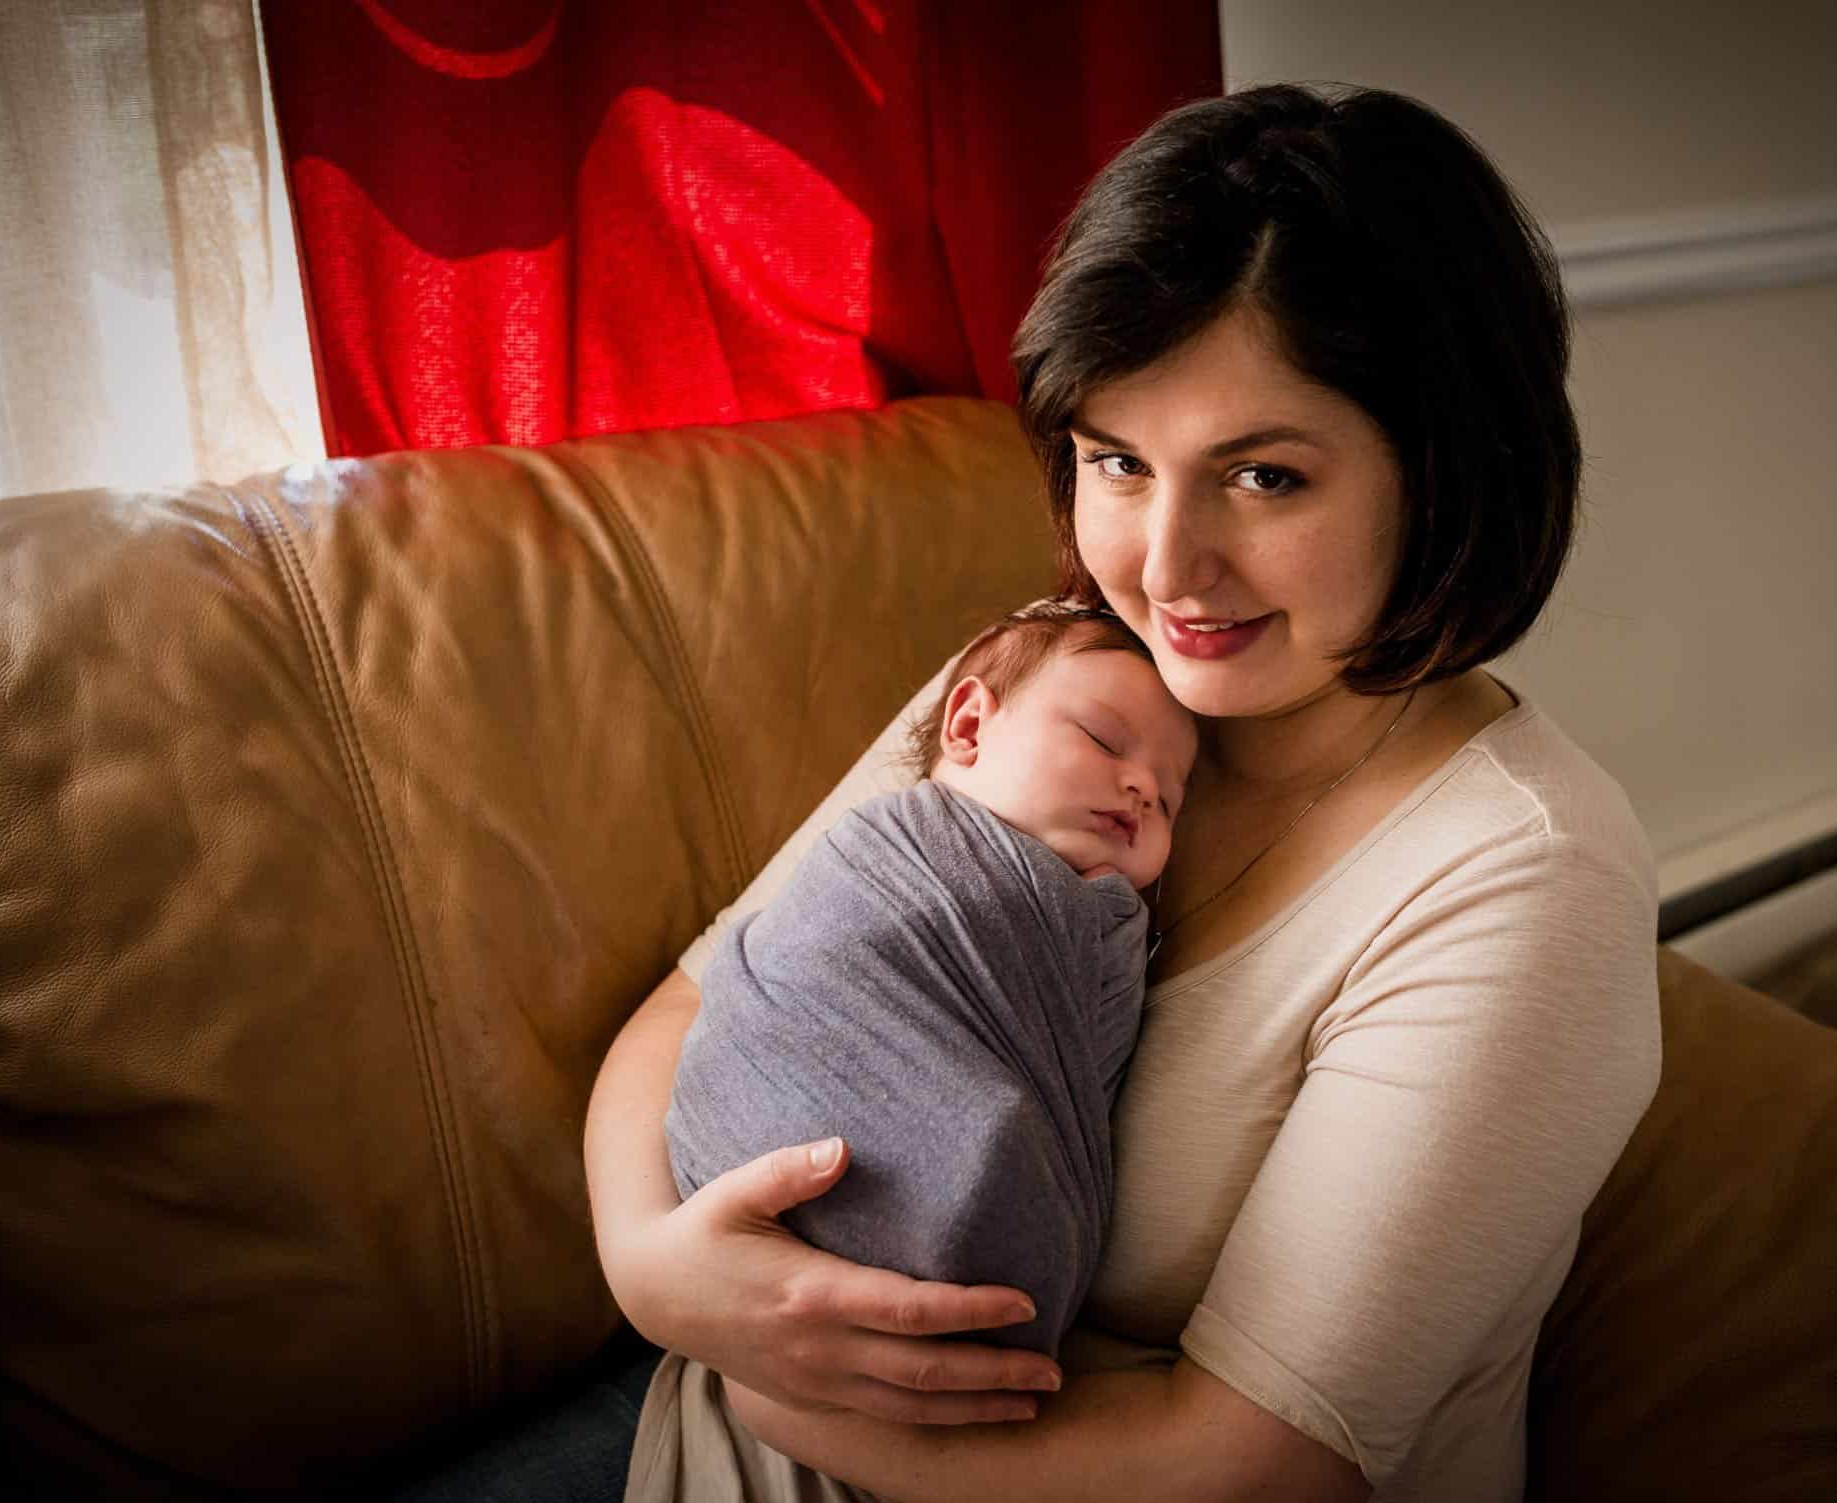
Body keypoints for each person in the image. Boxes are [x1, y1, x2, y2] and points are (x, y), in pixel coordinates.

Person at [585, 82, 1662, 1503]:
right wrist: (656, 1273)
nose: (1164, 567)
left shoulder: (1525, 879)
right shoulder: (1063, 677)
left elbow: (1250, 1462)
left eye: (1264, 476)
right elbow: (698, 1000)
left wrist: (764, 1371)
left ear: (1447, 474)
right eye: (1116, 461)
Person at [663, 602, 1196, 1368]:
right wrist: (654, 1270)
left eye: (1171, 799)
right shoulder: (890, 842)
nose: (1145, 786)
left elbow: (1079, 1081)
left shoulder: (1106, 928)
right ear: (970, 727)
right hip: (711, 1227)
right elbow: (772, 972)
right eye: (1105, 740)